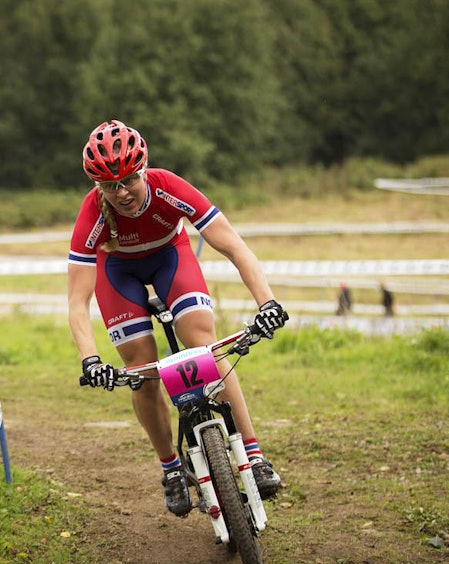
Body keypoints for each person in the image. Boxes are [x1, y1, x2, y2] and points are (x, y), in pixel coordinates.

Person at [68, 120, 289, 517]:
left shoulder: (169, 187)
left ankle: (254, 457)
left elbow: (235, 247)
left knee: (204, 344)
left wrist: (267, 302)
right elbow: (77, 300)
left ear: (144, 169)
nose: (121, 193)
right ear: (98, 186)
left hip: (171, 258)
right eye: (109, 186)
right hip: (118, 274)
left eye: (129, 180)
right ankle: (171, 468)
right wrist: (90, 359)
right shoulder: (92, 215)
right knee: (140, 368)